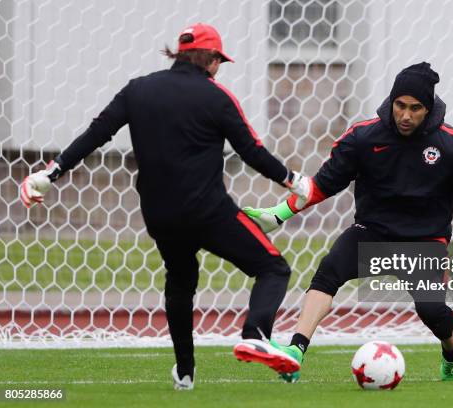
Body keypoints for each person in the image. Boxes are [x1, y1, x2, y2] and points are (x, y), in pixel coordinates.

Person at [19, 23, 310, 390]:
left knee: (181, 280)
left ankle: (185, 373)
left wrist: (50, 173)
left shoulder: (138, 90)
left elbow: (96, 133)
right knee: (272, 268)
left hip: (159, 215)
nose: (219, 67)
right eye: (219, 60)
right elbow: (250, 151)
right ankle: (255, 333)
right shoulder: (216, 96)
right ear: (212, 60)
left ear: (179, 53)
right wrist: (294, 180)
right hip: (208, 212)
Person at [239, 62, 453, 382]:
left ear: (429, 108)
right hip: (372, 233)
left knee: (432, 314)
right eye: (400, 105)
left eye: (415, 108)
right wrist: (278, 214)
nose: (406, 115)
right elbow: (324, 183)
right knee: (329, 269)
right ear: (391, 102)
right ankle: (296, 351)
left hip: (425, 242)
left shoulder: (451, 145)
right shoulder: (363, 138)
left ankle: (452, 349)